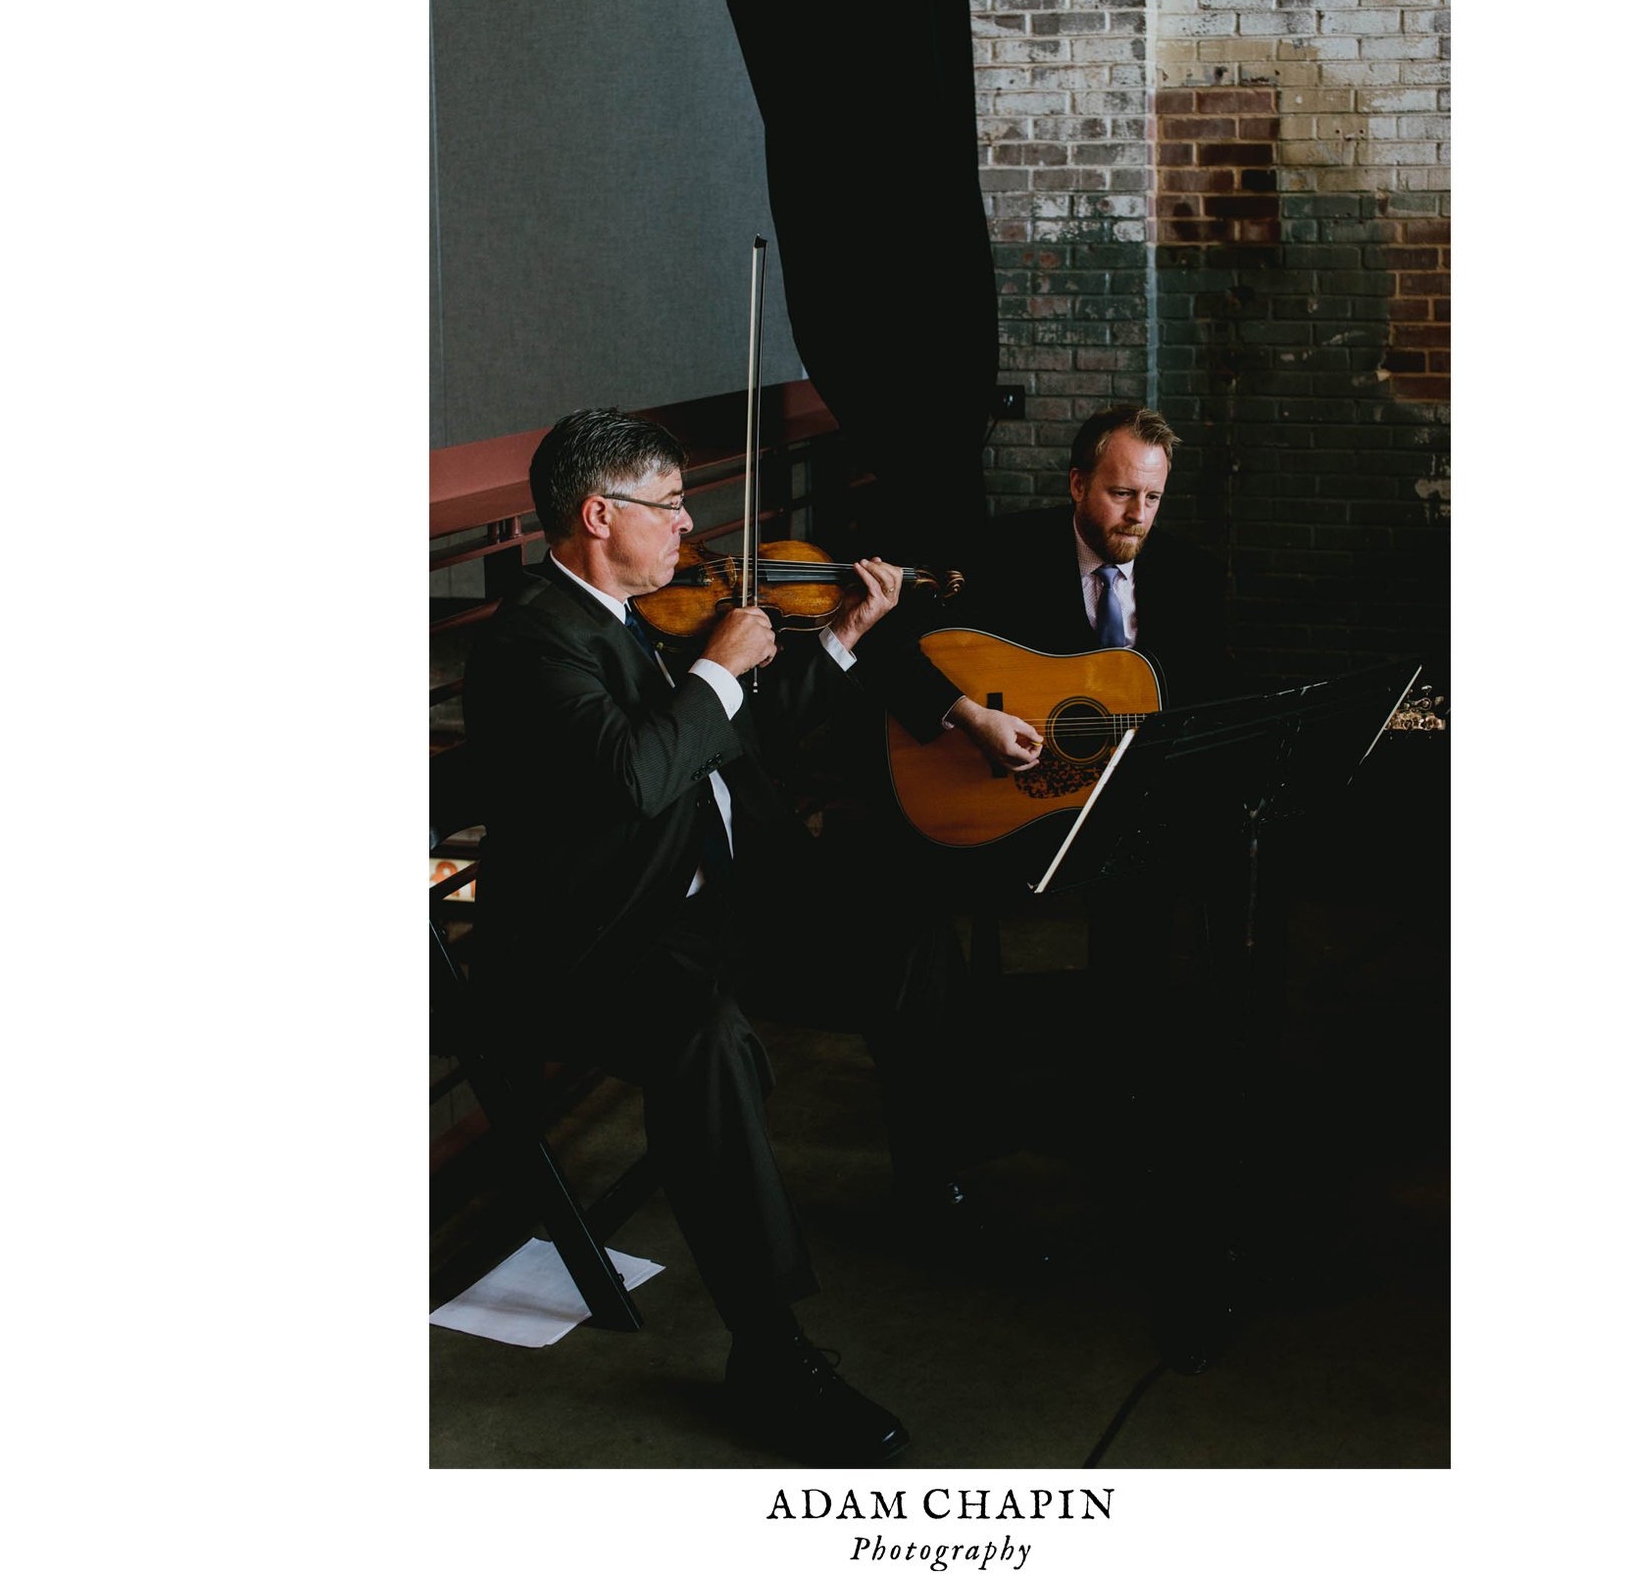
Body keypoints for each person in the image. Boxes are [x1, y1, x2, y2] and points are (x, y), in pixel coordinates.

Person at [459, 406, 929, 1465]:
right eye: (668, 506)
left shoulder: (634, 615)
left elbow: (730, 739)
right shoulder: (530, 645)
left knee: (901, 919)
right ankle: (770, 1352)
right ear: (596, 513)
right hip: (600, 947)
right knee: (705, 1041)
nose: (687, 528)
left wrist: (841, 639)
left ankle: (933, 1187)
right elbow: (637, 777)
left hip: (711, 906)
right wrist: (718, 665)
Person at [863, 404, 1231, 773]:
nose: (1139, 515)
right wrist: (970, 716)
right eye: (1122, 493)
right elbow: (886, 636)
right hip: (1012, 792)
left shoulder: (1193, 577)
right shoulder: (1003, 551)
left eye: (1153, 498)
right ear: (1078, 485)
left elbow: (1214, 700)